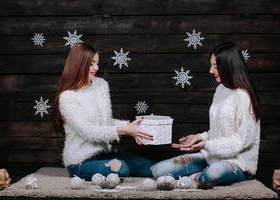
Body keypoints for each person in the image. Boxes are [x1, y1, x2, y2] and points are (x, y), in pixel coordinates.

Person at [150, 42, 261, 189]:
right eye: (211, 65)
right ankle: (200, 174)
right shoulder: (220, 90)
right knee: (159, 170)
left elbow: (241, 141)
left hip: (238, 163)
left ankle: (198, 176)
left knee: (212, 174)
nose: (210, 70)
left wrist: (206, 145)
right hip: (212, 157)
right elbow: (220, 130)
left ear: (229, 65)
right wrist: (199, 137)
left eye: (215, 66)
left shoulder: (243, 96)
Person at [52, 43, 156, 181]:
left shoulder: (101, 85)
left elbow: (106, 122)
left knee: (151, 167)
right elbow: (87, 131)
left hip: (103, 154)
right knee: (122, 167)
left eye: (97, 63)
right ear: (79, 65)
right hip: (80, 162)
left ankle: (192, 173)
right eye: (91, 64)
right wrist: (124, 130)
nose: (96, 68)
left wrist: (131, 127)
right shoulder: (68, 97)